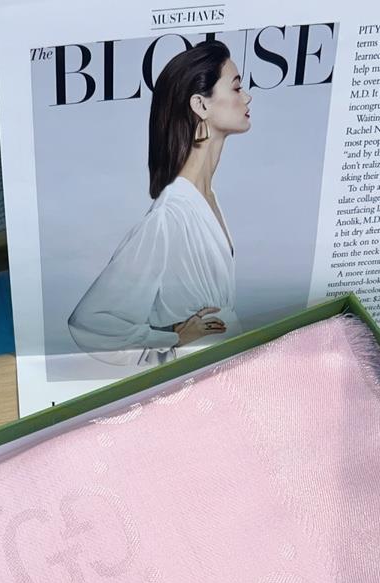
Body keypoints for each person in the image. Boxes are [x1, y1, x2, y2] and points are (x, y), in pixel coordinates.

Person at [68, 40, 252, 366]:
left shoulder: (207, 199)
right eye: (236, 87)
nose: (247, 97)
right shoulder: (170, 215)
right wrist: (170, 338)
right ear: (200, 104)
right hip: (197, 374)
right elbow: (90, 321)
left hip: (230, 365)